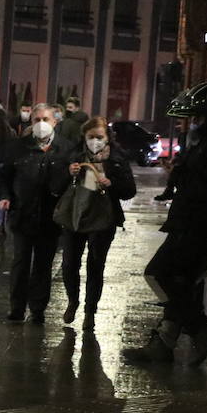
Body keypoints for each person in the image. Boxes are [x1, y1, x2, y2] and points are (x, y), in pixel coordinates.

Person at [124, 82, 207, 366]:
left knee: (159, 273)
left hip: (196, 226)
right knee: (180, 282)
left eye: (199, 117)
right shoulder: (206, 141)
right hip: (187, 223)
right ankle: (163, 344)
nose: (194, 123)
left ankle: (201, 327)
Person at [57, 116, 137, 330]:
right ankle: (72, 300)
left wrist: (112, 183)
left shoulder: (117, 159)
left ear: (107, 137)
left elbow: (130, 190)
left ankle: (90, 311)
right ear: (84, 137)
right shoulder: (74, 156)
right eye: (91, 137)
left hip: (103, 219)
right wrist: (68, 172)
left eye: (99, 137)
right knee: (69, 263)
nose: (95, 141)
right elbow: (56, 185)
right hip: (75, 215)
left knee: (96, 265)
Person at [0, 102, 69, 324]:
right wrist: (5, 196)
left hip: (50, 217)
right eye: (37, 120)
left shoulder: (65, 149)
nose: (41, 124)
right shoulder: (18, 147)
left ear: (54, 122)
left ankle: (38, 308)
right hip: (22, 214)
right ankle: (16, 307)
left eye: (45, 120)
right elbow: (5, 176)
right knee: (19, 262)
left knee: (43, 264)